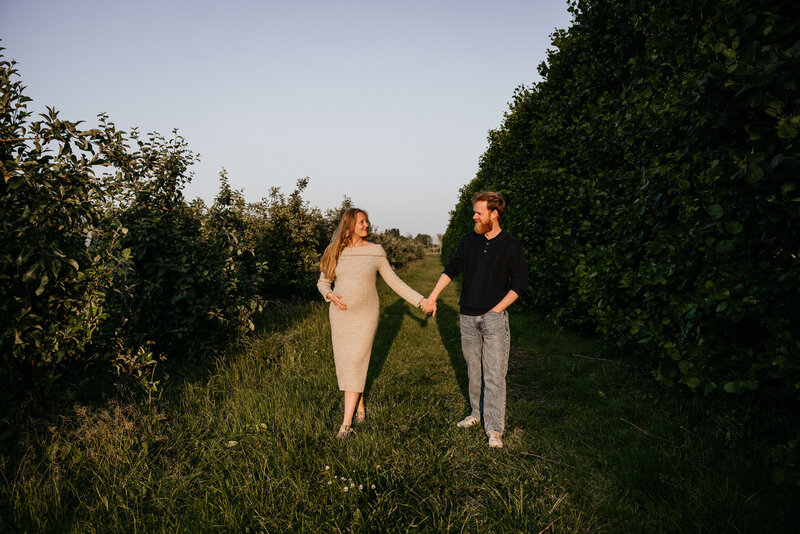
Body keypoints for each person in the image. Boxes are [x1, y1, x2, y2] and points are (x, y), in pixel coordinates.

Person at [422, 191, 528, 448]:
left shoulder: (511, 245)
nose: (474, 216)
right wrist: (433, 296)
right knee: (473, 371)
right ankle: (475, 415)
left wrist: (496, 310)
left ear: (494, 214)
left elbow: (520, 282)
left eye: (479, 212)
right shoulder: (469, 240)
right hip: (467, 317)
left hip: (493, 320)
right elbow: (451, 269)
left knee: (494, 374)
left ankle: (494, 429)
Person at [317, 208, 429, 438]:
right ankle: (359, 403)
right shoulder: (334, 251)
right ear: (349, 225)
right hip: (340, 316)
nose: (366, 225)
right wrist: (330, 295)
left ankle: (345, 425)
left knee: (357, 360)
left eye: (367, 221)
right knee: (347, 363)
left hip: (366, 316)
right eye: (361, 222)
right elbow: (323, 282)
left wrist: (420, 301)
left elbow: (395, 283)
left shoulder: (376, 252)